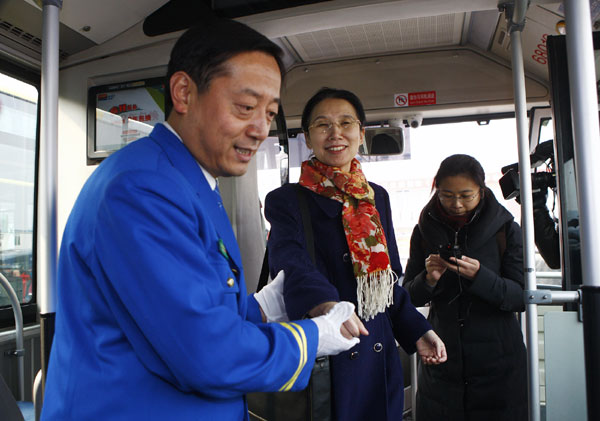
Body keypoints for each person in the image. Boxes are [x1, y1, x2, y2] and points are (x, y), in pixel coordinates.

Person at [42, 20, 361, 420]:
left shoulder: (191, 182)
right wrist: (313, 339)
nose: (260, 129)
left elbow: (200, 303)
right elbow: (206, 354)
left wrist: (263, 307)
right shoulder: (140, 189)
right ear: (183, 93)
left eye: (270, 113)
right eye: (245, 107)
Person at [264, 87, 447, 421]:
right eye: (323, 125)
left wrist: (418, 330)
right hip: (329, 350)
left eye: (346, 123)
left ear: (360, 133)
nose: (335, 134)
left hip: (378, 361)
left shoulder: (377, 197)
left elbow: (387, 280)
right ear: (308, 137)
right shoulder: (287, 199)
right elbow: (289, 260)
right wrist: (326, 304)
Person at [402, 154, 527, 421]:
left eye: (466, 196)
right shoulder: (423, 231)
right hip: (442, 364)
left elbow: (519, 297)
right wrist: (429, 279)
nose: (456, 204)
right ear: (436, 189)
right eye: (447, 195)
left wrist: (481, 276)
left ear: (482, 191)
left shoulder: (505, 230)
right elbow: (408, 296)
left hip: (499, 365)